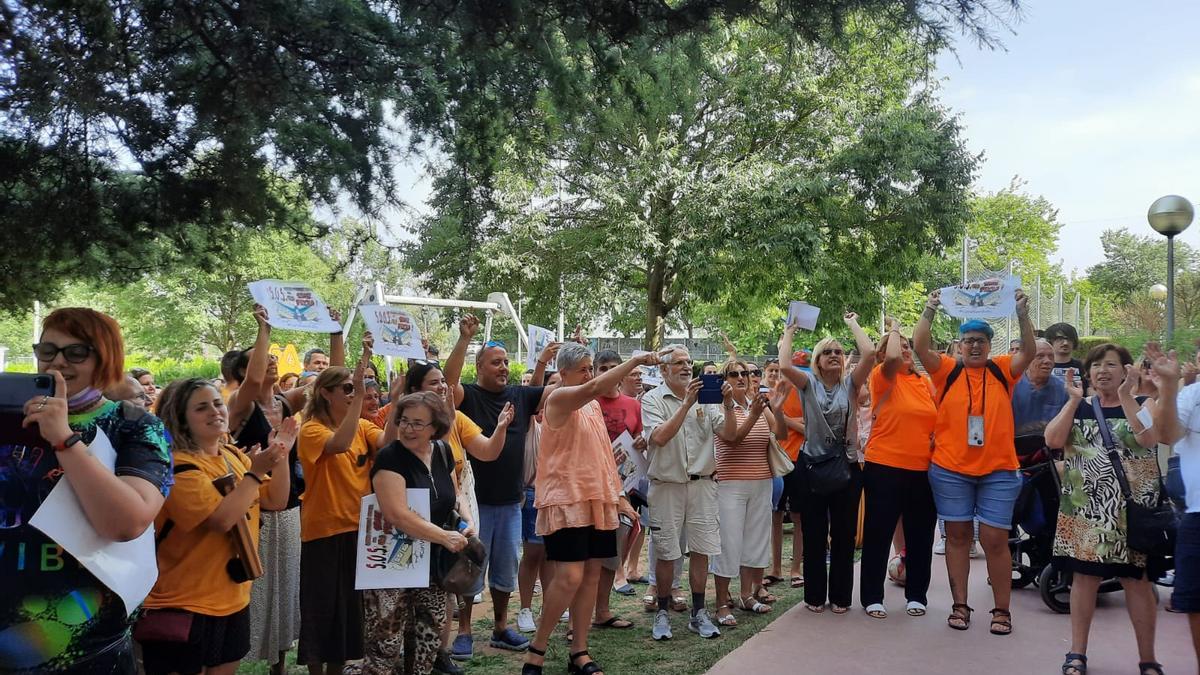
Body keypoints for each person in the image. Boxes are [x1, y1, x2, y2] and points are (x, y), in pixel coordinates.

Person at [1, 308, 171, 673]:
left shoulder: (134, 425)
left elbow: (127, 522)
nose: (58, 361)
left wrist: (63, 438)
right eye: (47, 350)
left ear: (104, 359)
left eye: (76, 352)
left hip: (88, 647)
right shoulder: (7, 418)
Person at [139, 379, 294, 675]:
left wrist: (280, 454)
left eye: (217, 403)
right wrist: (256, 471)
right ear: (181, 419)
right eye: (201, 407)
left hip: (233, 599)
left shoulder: (233, 457)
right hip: (185, 604)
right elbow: (221, 521)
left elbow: (276, 499)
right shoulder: (178, 467)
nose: (215, 411)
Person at [521, 345, 653, 675]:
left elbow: (604, 455)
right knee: (570, 576)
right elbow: (594, 388)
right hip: (566, 499)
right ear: (563, 373)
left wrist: (619, 497)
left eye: (591, 368)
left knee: (592, 576)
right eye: (583, 369)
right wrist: (635, 361)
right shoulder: (559, 398)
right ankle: (536, 650)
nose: (590, 374)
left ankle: (579, 651)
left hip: (599, 499)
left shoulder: (592, 406)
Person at [913, 289, 1034, 636]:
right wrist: (930, 307)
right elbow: (921, 345)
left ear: (989, 344)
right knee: (958, 537)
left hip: (998, 470)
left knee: (996, 540)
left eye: (980, 340)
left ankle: (1001, 611)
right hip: (951, 470)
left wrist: (1022, 313)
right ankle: (960, 606)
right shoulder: (947, 370)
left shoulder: (1001, 370)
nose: (975, 346)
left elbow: (1028, 350)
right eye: (968, 341)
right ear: (960, 345)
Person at [442, 315, 558, 659]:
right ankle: (464, 630)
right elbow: (448, 384)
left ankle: (500, 627)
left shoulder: (521, 395)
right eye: (496, 362)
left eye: (507, 362)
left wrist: (564, 359)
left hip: (511, 502)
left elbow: (555, 390)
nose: (504, 367)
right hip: (474, 505)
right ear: (479, 366)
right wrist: (464, 339)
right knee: (470, 567)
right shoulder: (469, 397)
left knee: (506, 569)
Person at [1045, 345, 1163, 675]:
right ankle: (1077, 654)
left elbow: (1149, 438)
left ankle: (1148, 659)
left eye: (1110, 364)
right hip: (1086, 512)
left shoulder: (1142, 403)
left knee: (1137, 582)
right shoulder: (1080, 407)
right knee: (1083, 579)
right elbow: (1053, 440)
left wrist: (1127, 396)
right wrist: (1072, 400)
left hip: (1132, 513)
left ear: (1126, 370)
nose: (1102, 371)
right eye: (1096, 365)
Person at [353, 392, 476, 675]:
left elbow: (455, 494)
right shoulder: (389, 458)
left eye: (418, 423)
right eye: (404, 421)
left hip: (431, 564)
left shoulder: (443, 452)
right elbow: (397, 514)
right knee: (386, 645)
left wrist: (466, 520)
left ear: (435, 427)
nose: (408, 429)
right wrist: (444, 537)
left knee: (427, 639)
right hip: (391, 565)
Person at [402, 359, 513, 674]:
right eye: (434, 382)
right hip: (411, 519)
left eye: (443, 382)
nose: (441, 387)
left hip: (449, 514)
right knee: (412, 594)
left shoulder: (456, 421)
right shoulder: (399, 429)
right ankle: (412, 658)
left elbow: (486, 454)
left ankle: (441, 653)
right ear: (413, 391)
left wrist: (502, 428)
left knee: (445, 584)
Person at [296, 335, 395, 675]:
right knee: (321, 611)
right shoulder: (310, 429)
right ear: (325, 393)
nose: (354, 395)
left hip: (359, 530)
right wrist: (358, 395)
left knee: (347, 616)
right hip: (323, 532)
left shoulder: (364, 425)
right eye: (348, 389)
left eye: (355, 389)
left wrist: (396, 403)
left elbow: (387, 440)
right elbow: (337, 445)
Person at [226, 306, 309, 675]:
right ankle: (237, 659)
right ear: (243, 372)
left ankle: (279, 665)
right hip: (253, 508)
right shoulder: (239, 407)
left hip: (289, 509)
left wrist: (339, 336)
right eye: (262, 359)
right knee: (255, 591)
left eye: (273, 356)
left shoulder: (287, 401)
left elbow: (325, 381)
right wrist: (264, 330)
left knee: (285, 588)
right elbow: (255, 377)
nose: (271, 361)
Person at [641, 343, 741, 640]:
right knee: (666, 552)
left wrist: (729, 404)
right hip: (667, 486)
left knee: (702, 550)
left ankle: (699, 613)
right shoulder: (652, 399)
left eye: (689, 362)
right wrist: (685, 404)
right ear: (663, 370)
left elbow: (731, 435)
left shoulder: (707, 400)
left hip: (702, 486)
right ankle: (661, 611)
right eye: (679, 363)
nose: (687, 367)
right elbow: (658, 437)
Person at [777, 312, 875, 614]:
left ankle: (842, 598)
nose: (833, 355)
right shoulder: (808, 384)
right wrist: (790, 330)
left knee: (844, 534)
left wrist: (852, 324)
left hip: (845, 467)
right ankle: (815, 596)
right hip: (811, 468)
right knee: (815, 533)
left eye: (837, 352)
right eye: (827, 352)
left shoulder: (851, 384)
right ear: (818, 361)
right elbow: (783, 366)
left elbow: (870, 353)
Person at [858, 322, 938, 619]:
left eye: (907, 345)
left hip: (922, 470)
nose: (904, 349)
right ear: (882, 354)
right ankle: (872, 597)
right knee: (878, 534)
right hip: (884, 466)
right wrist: (894, 328)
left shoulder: (923, 383)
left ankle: (917, 594)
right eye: (897, 345)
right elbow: (891, 359)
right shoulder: (882, 376)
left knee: (920, 535)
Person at [711, 360, 779, 627]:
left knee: (756, 540)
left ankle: (746, 595)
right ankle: (720, 603)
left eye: (746, 373)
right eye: (734, 373)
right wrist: (752, 413)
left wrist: (777, 407)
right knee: (729, 544)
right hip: (731, 483)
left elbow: (779, 432)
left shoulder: (757, 404)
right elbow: (732, 438)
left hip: (762, 482)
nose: (742, 377)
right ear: (724, 379)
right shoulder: (718, 406)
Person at [1150, 343, 1200, 670]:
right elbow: (1166, 434)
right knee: (1195, 603)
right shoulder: (1190, 395)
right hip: (1197, 516)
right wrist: (1168, 387)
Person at [592, 350, 646, 626]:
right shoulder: (587, 401)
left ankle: (602, 611)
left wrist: (641, 442)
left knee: (612, 554)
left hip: (624, 488)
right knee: (588, 557)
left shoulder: (633, 405)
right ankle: (576, 619)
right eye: (603, 368)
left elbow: (639, 438)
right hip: (591, 488)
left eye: (615, 367)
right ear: (594, 373)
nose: (610, 372)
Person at [1011, 338, 1069, 436]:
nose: (1047, 361)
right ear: (1027, 359)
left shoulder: (1064, 389)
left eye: (1051, 356)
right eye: (1040, 356)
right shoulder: (1011, 386)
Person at [1045, 322, 1086, 391]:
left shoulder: (1082, 366)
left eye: (1069, 339)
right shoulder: (1044, 365)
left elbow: (1088, 388)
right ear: (1050, 342)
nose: (1065, 343)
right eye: (1060, 339)